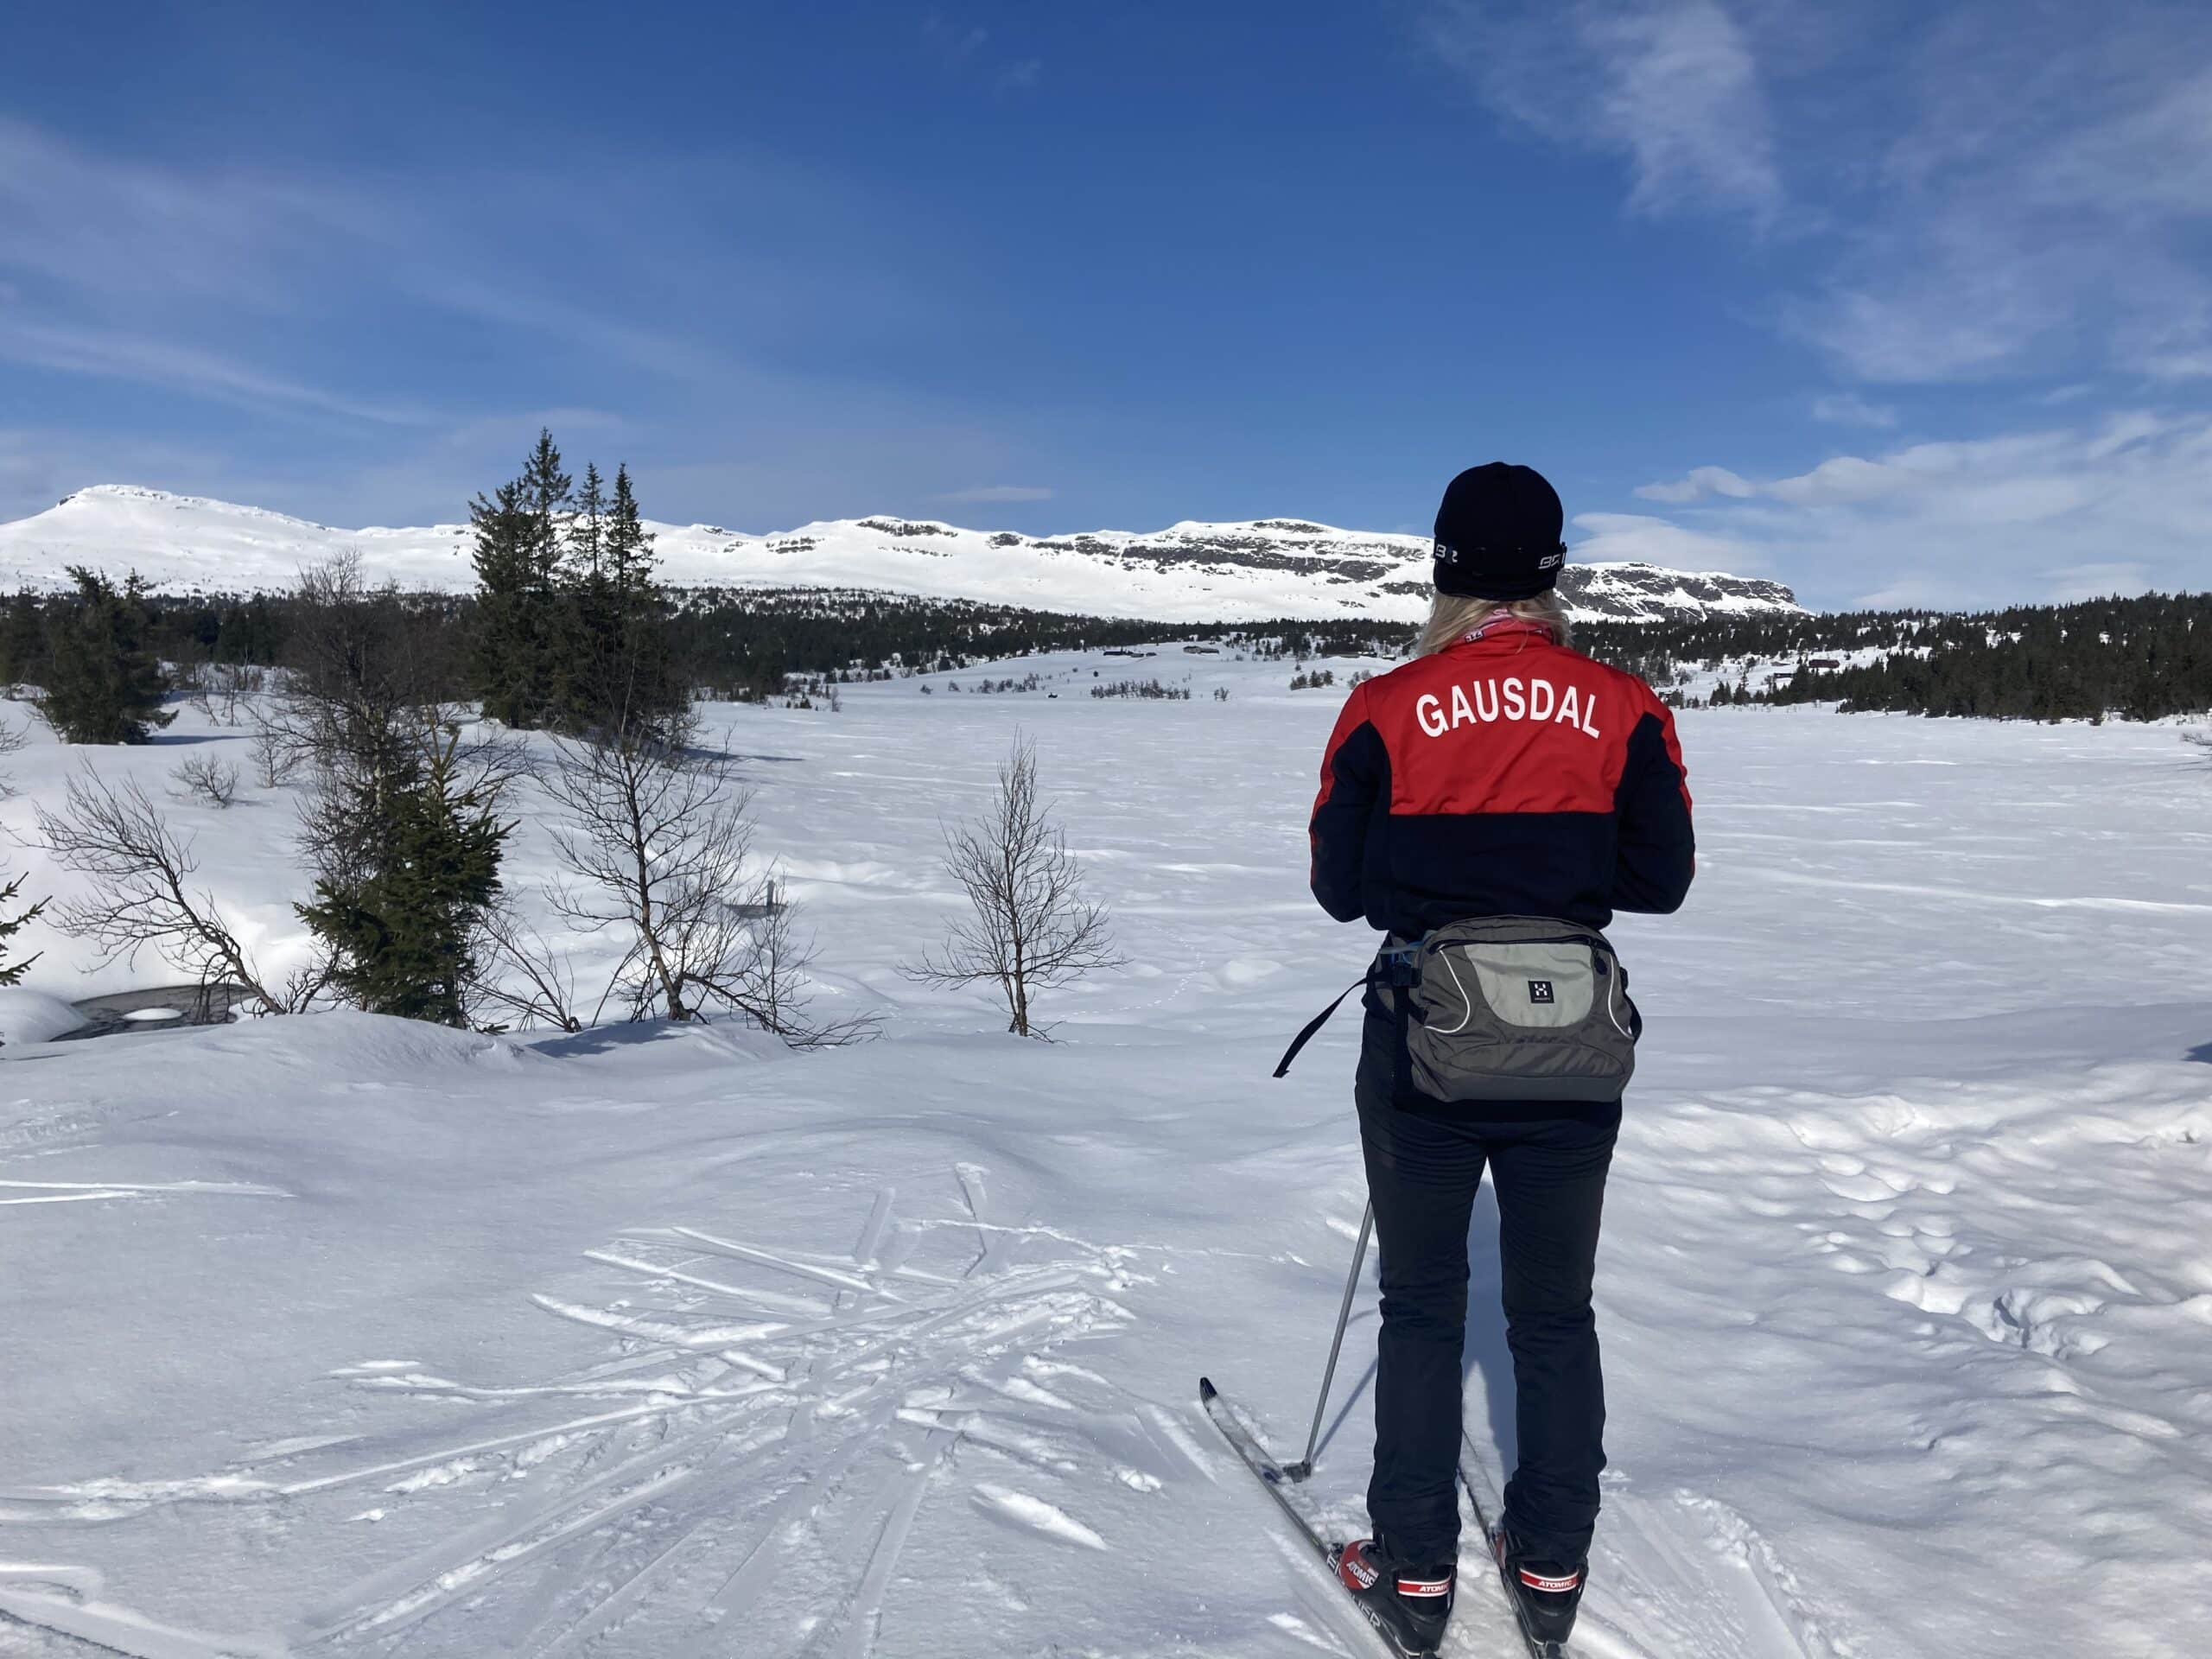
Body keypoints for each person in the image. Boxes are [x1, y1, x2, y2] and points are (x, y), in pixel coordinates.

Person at [1307, 462, 1694, 1656]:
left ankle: (1414, 1572)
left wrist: (1438, 887)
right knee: (1554, 1315)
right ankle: (1551, 1559)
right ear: (1552, 572)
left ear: (1445, 572)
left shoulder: (1383, 706)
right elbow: (1660, 881)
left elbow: (1340, 889)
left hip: (1424, 1036)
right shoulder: (1627, 708)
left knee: (1423, 1311)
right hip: (1569, 1037)